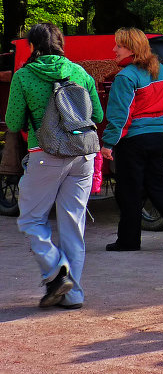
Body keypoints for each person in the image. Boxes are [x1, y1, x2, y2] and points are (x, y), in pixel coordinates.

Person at [5, 23, 103, 309]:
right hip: (83, 156)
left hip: (44, 154)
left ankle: (57, 272)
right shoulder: (80, 72)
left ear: (31, 46)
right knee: (73, 225)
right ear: (61, 43)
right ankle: (72, 296)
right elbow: (95, 113)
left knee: (31, 220)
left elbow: (13, 123)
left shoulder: (23, 76)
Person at [103, 27, 163, 251]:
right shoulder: (159, 69)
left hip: (134, 140)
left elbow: (120, 116)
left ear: (132, 49)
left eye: (119, 46)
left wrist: (108, 143)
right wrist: (158, 114)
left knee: (129, 190)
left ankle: (128, 241)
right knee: (157, 184)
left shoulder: (125, 77)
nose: (114, 49)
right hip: (159, 135)